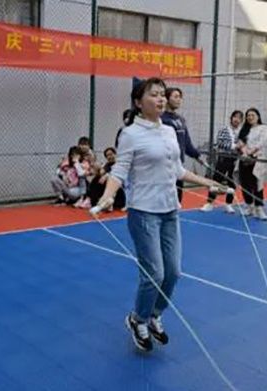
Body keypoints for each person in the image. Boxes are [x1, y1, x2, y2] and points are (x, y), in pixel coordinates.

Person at [95, 78, 227, 352]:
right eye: (153, 95)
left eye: (162, 94)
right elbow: (119, 171)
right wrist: (107, 196)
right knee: (153, 272)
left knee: (173, 272)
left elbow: (178, 170)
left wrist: (209, 184)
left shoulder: (168, 131)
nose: (161, 99)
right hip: (143, 212)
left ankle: (154, 314)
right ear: (138, 102)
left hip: (170, 210)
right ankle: (138, 319)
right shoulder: (130, 133)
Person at [161, 87, 202, 203]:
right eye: (175, 97)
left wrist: (196, 155)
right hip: (164, 166)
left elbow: (187, 143)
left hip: (178, 165)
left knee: (177, 200)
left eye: (180, 97)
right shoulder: (161, 119)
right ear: (167, 99)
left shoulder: (181, 119)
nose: (179, 100)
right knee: (165, 200)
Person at [201, 110, 244, 213]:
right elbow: (219, 143)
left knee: (232, 183)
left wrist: (241, 149)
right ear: (231, 118)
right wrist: (234, 146)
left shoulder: (241, 133)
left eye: (239, 118)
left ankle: (228, 204)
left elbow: (243, 146)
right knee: (217, 181)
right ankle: (210, 203)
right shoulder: (224, 130)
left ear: (241, 120)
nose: (237, 119)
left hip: (234, 160)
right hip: (223, 159)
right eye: (235, 117)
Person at [237, 108, 267, 220]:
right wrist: (244, 153)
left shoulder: (264, 128)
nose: (250, 117)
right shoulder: (245, 129)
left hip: (257, 160)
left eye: (252, 115)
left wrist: (250, 153)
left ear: (258, 116)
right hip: (244, 160)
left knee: (257, 184)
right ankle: (248, 205)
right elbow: (240, 143)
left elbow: (261, 142)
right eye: (248, 115)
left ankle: (259, 208)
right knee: (245, 184)